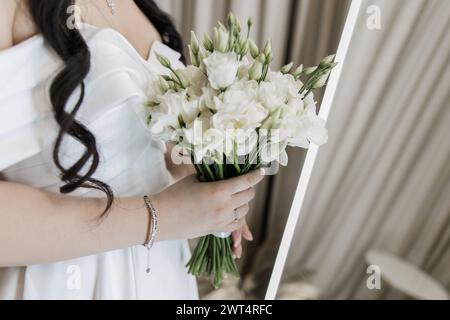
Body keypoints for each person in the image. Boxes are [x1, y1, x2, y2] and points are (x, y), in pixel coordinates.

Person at [0, 0, 262, 299]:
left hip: (163, 273)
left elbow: (144, 151)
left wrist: (212, 190)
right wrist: (160, 216)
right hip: (68, 280)